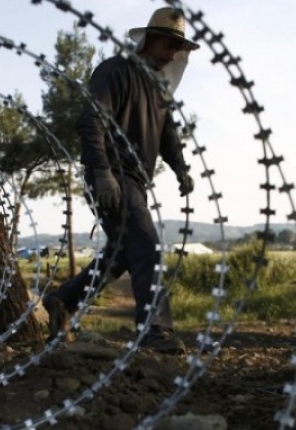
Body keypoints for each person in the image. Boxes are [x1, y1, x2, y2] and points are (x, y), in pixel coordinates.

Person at [43, 7, 199, 353]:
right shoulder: (114, 71)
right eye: (169, 45)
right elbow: (90, 121)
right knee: (147, 246)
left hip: (136, 182)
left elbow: (168, 134)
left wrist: (181, 168)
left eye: (178, 49)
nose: (172, 54)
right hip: (112, 175)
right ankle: (155, 331)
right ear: (149, 39)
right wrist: (101, 173)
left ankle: (63, 300)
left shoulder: (158, 88)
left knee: (123, 255)